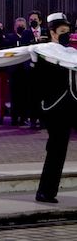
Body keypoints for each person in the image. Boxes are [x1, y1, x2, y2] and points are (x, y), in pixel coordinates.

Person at [34, 12, 77, 204]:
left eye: (68, 31)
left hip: (74, 104)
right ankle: (46, 192)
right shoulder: (44, 52)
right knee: (57, 150)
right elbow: (37, 82)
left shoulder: (72, 53)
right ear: (52, 33)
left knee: (58, 149)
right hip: (55, 108)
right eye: (62, 31)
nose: (66, 35)